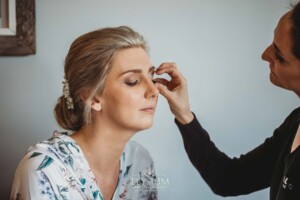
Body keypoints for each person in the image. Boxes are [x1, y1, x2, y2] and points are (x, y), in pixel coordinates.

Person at [154, 2, 300, 200]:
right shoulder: (295, 122)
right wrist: (184, 114)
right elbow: (228, 178)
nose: (265, 55)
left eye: (280, 55)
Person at [10, 26, 158, 200]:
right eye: (133, 81)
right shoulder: (43, 170)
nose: (154, 90)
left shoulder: (140, 162)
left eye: (152, 77)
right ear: (92, 98)